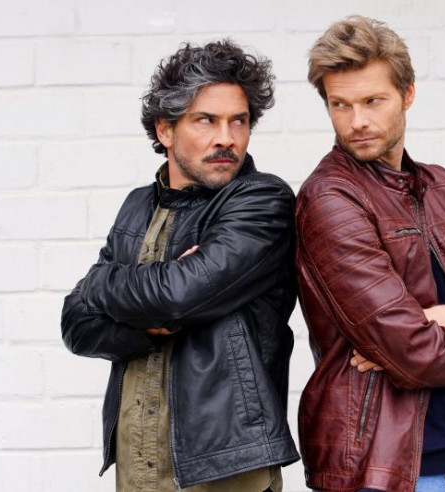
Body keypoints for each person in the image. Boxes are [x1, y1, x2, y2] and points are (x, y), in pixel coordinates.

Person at [295, 16, 445, 492]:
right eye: (340, 104)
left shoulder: (442, 187)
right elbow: (409, 350)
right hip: (372, 471)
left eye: (372, 101)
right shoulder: (330, 199)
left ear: (407, 94)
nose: (357, 121)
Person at [61, 40, 299, 491]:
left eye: (239, 121)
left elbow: (176, 295)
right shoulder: (136, 207)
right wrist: (148, 322)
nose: (226, 138)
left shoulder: (261, 201)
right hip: (138, 461)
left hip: (226, 467)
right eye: (206, 120)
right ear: (166, 130)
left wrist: (106, 289)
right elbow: (76, 325)